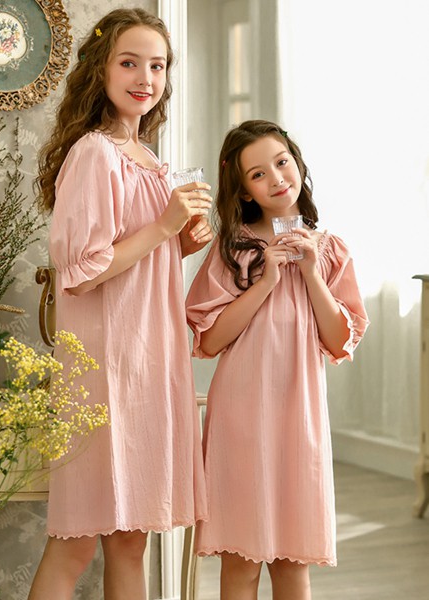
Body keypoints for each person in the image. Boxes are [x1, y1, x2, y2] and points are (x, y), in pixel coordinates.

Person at [28, 8, 212, 600]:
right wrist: (163, 228)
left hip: (148, 363)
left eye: (157, 66)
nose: (145, 78)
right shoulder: (95, 153)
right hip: (103, 369)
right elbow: (81, 272)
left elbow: (137, 263)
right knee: (76, 541)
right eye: (129, 63)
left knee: (131, 541)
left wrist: (179, 243)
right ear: (100, 70)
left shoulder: (151, 160)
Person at [185, 120, 369, 600]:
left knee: (292, 565)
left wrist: (310, 273)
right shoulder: (234, 251)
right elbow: (210, 340)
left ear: (297, 163)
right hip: (240, 418)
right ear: (244, 190)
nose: (276, 178)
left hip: (299, 420)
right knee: (240, 565)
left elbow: (339, 340)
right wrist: (265, 282)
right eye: (258, 174)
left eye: (281, 162)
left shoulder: (329, 250)